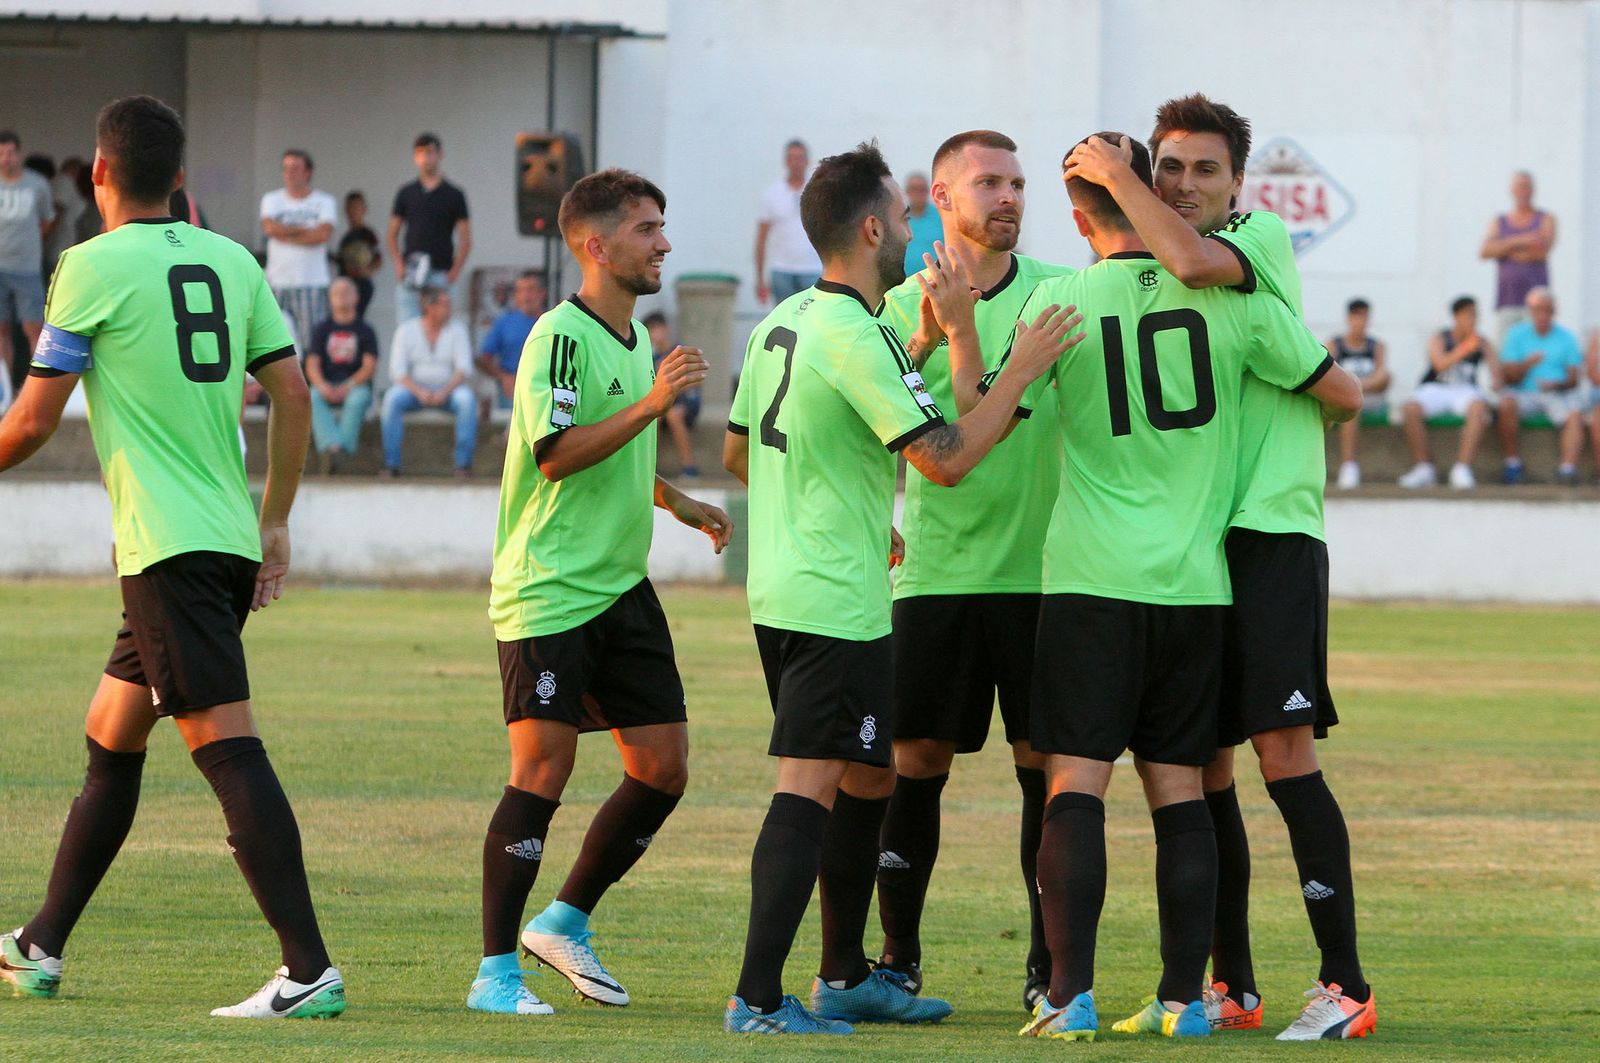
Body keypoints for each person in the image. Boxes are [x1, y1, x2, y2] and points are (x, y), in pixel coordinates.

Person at [721, 140, 1079, 1035]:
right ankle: (758, 999)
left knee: (869, 775)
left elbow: (737, 452)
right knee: (810, 787)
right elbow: (946, 459)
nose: (914, 226)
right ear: (874, 225)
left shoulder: (782, 321)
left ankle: (848, 974)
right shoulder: (859, 329)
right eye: (907, 211)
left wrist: (835, 491)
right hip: (836, 599)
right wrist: (1020, 367)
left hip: (791, 588)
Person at [0, 94, 343, 1019]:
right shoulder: (234, 260)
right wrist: (275, 521)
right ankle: (38, 945)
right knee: (111, 738)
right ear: (181, 179)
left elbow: (33, 419)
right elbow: (295, 395)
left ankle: (307, 968)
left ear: (99, 174)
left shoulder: (86, 265)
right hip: (222, 538)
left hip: (167, 550)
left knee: (227, 747)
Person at [1026, 130, 1361, 1044]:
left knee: (1281, 758)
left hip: (1270, 532)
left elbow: (1342, 392)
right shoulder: (1185, 277)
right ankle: (1224, 987)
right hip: (1205, 555)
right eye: (1167, 169)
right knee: (1201, 772)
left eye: (1202, 171)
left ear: (1240, 185)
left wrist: (1118, 181)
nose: (1180, 187)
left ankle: (1345, 982)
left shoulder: (1248, 247)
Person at [472, 168, 731, 1017]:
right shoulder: (561, 334)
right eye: (648, 229)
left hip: (621, 584)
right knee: (543, 768)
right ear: (596, 245)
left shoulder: (626, 342)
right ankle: (495, 974)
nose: (663, 243)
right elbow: (555, 451)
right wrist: (659, 401)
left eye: (662, 226)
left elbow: (608, 442)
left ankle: (565, 919)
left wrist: (674, 497)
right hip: (550, 588)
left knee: (663, 764)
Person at [873, 129, 1071, 1013]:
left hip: (1042, 575)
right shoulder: (893, 312)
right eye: (988, 182)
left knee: (1048, 768)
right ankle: (898, 959)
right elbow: (886, 431)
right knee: (914, 760)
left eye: (1019, 183)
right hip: (939, 577)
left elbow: (1004, 426)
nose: (1010, 197)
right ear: (941, 200)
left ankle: (1046, 969)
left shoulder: (1062, 299)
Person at [1398, 296, 1496, 489]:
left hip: (1465, 390)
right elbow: (1439, 364)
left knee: (1479, 408)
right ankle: (1424, 466)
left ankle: (1462, 468)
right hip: (1436, 387)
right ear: (1456, 316)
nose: (1473, 320)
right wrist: (1465, 348)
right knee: (1410, 409)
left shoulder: (1481, 342)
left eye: (1475, 315)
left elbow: (1497, 377)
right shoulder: (1440, 338)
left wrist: (1491, 358)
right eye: (1469, 315)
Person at [379, 286, 475, 478]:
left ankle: (463, 464)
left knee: (466, 400)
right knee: (392, 398)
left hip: (449, 391)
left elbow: (463, 369)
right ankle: (391, 463)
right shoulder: (406, 330)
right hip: (413, 391)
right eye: (444, 304)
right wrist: (419, 392)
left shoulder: (457, 330)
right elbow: (397, 372)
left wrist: (444, 392)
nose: (449, 308)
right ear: (428, 307)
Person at [1495, 287, 1584, 485]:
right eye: (1538, 309)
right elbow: (1508, 377)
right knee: (1506, 402)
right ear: (1530, 311)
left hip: (1556, 394)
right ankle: (1512, 463)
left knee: (1575, 412)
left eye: (1548, 310)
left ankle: (1567, 469)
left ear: (1554, 311)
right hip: (1524, 393)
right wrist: (1528, 363)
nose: (1543, 314)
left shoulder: (1566, 337)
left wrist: (1557, 384)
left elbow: (1574, 379)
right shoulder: (1516, 335)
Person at [388, 133, 470, 325]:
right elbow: (392, 234)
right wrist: (399, 264)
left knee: (443, 327)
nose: (426, 158)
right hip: (412, 272)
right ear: (415, 157)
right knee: (407, 325)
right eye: (421, 153)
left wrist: (454, 272)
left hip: (441, 272)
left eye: (430, 152)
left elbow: (465, 238)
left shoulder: (454, 194)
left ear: (440, 154)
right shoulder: (406, 193)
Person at [0, 130, 56, 412]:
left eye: (10, 152)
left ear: (19, 153)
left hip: (27, 268)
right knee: (1, 330)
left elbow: (47, 222)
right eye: (1, 153)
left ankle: (38, 393)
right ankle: (5, 391)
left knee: (35, 327)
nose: (6, 159)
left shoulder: (37, 185)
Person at [260, 149, 337, 354]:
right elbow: (270, 229)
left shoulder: (324, 201)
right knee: (273, 342)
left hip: (311, 282)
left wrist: (284, 233)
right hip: (277, 282)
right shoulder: (272, 199)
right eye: (286, 168)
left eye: (295, 168)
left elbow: (321, 235)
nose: (289, 173)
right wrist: (303, 230)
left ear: (308, 172)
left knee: (311, 344)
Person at [305, 276, 379, 473]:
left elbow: (370, 366)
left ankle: (337, 451)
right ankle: (334, 448)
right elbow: (312, 364)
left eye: (346, 292)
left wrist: (348, 386)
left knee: (357, 400)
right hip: (327, 383)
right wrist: (322, 385)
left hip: (356, 385)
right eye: (336, 293)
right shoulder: (321, 329)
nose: (341, 296)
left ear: (356, 298)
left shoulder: (365, 330)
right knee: (312, 396)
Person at [1480, 171, 1556, 345]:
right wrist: (1523, 239)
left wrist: (1504, 248)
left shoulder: (1545, 218)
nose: (1524, 191)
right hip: (1506, 300)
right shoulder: (1500, 221)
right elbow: (1485, 251)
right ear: (1512, 190)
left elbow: (1540, 251)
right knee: (1505, 352)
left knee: (1535, 350)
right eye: (1520, 186)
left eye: (1527, 186)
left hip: (1537, 305)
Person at [1326, 298, 1390, 488]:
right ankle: (1348, 465)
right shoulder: (1335, 345)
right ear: (1349, 318)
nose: (1361, 322)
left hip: (1369, 397)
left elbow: (1381, 376)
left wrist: (1354, 386)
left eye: (1365, 317)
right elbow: (1326, 375)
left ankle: (1350, 466)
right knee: (1351, 403)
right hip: (1345, 397)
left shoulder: (1376, 346)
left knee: (1359, 397)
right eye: (1357, 317)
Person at [754, 139, 822, 305]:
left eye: (800, 158)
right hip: (782, 271)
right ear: (785, 161)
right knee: (785, 325)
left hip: (812, 269)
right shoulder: (772, 194)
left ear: (807, 161)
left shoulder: (818, 192)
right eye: (791, 158)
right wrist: (760, 278)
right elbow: (761, 238)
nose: (796, 163)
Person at [476, 269, 546, 411]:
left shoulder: (553, 321)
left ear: (542, 293)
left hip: (545, 384)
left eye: (531, 290)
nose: (526, 296)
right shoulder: (504, 322)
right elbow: (483, 359)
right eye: (520, 291)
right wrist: (503, 377)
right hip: (512, 384)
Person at [644, 310, 700, 477]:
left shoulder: (679, 352)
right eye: (649, 331)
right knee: (653, 416)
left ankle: (689, 466)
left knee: (674, 415)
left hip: (685, 402)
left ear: (665, 328)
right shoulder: (651, 357)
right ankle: (649, 466)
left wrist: (674, 387)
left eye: (655, 329)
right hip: (663, 402)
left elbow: (697, 379)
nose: (654, 335)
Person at [335, 190, 382, 319]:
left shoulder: (367, 234)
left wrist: (366, 271)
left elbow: (378, 259)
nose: (353, 212)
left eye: (357, 207)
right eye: (350, 208)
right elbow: (342, 260)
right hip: (345, 283)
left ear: (364, 209)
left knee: (355, 318)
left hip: (361, 285)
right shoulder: (346, 237)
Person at [900, 171, 943, 277]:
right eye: (914, 189)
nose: (918, 193)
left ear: (929, 191)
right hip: (902, 284)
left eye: (922, 189)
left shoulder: (942, 216)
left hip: (935, 281)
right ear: (906, 192)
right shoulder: (897, 217)